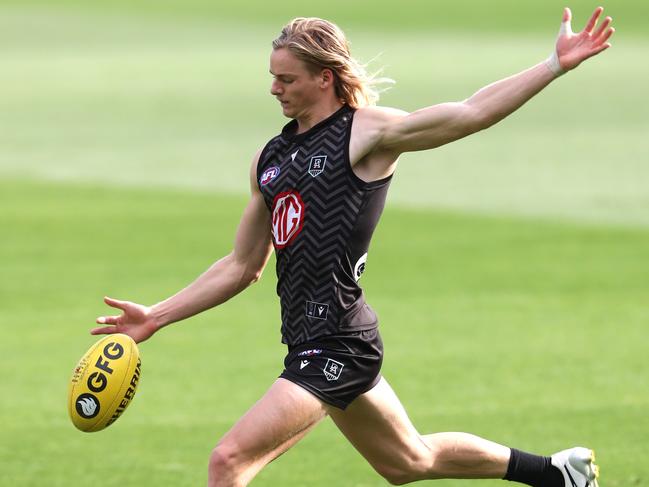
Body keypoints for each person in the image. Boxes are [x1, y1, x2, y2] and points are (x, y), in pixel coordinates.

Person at [92, 7, 614, 487]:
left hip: (337, 341)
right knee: (409, 462)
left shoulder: (365, 134)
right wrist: (156, 317)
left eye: (286, 78)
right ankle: (556, 473)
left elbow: (470, 112)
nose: (274, 88)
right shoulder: (269, 160)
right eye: (272, 77)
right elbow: (242, 265)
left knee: (228, 460)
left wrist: (553, 65)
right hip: (309, 338)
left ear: (324, 78)